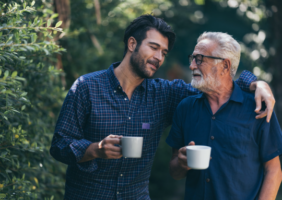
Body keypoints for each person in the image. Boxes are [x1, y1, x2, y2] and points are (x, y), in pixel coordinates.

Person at [50, 15, 275, 200]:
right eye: (154, 47)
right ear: (132, 44)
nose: (159, 57)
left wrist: (256, 83)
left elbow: (218, 85)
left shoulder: (165, 94)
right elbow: (59, 144)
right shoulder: (87, 87)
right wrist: (94, 150)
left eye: (164, 53)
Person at [167, 32, 282, 200]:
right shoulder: (185, 108)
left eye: (200, 59)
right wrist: (181, 163)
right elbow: (174, 171)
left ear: (225, 66)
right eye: (192, 58)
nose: (192, 66)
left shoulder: (258, 108)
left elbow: (274, 171)